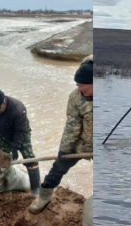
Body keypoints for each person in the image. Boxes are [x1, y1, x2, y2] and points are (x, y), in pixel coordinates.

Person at [30, 55, 93, 214]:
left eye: (82, 85)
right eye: (77, 85)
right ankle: (44, 197)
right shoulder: (75, 97)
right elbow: (72, 126)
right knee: (58, 167)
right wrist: (64, 150)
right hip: (80, 143)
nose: (79, 88)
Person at [0, 89, 41, 196]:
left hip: (21, 133)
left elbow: (20, 131)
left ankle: (36, 188)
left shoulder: (18, 109)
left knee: (30, 158)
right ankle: (2, 183)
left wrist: (15, 148)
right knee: (1, 157)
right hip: (4, 133)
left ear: (3, 103)